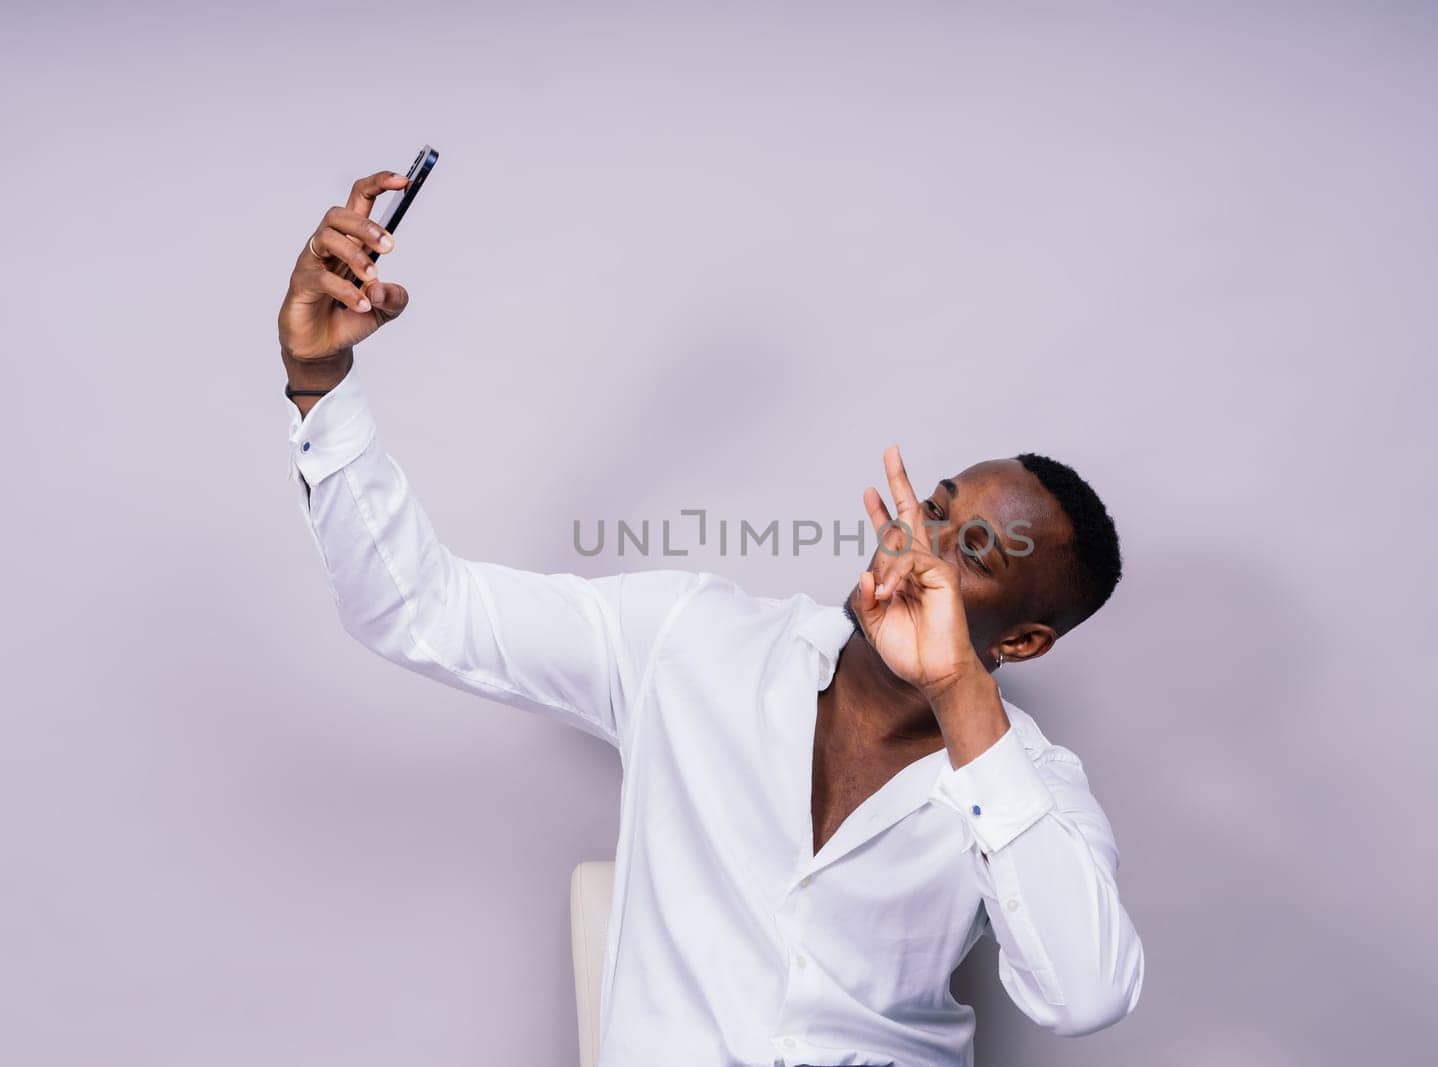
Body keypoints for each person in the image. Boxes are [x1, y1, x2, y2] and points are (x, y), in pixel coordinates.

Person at [277, 168, 1145, 1067]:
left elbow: (1084, 994)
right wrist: (319, 376)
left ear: (1025, 641)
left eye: (971, 553)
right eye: (931, 507)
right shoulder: (690, 640)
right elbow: (418, 609)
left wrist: (961, 692)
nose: (919, 546)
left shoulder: (1029, 780)